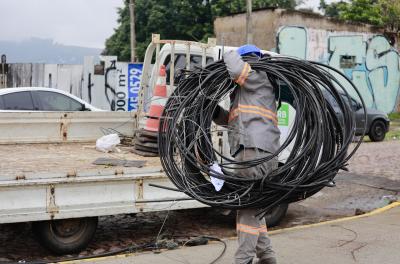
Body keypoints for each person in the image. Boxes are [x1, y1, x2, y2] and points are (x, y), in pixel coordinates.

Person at [213, 44, 280, 264]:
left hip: (254, 153)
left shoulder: (257, 76)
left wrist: (227, 51)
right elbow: (231, 120)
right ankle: (268, 257)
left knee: (246, 211)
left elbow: (234, 68)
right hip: (258, 152)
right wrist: (213, 111)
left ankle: (243, 260)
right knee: (254, 208)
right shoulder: (249, 90)